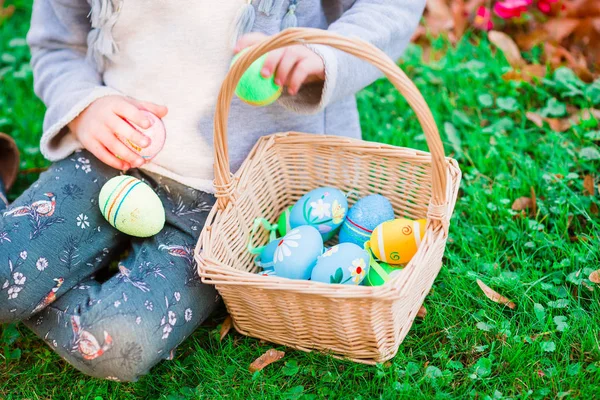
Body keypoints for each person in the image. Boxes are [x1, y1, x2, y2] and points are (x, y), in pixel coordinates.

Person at [0, 0, 426, 381]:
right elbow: (58, 45)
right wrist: (83, 104)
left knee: (115, 343)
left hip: (235, 198)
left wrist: (323, 54)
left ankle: (40, 281)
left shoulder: (247, 198)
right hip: (114, 156)